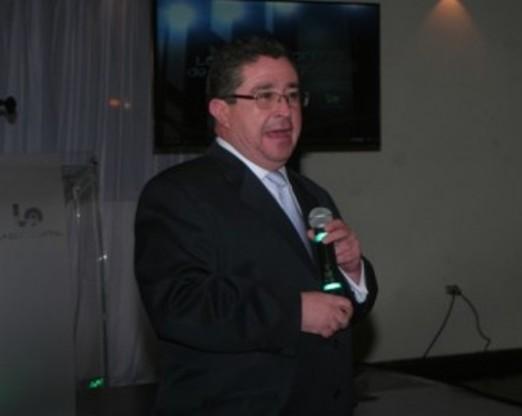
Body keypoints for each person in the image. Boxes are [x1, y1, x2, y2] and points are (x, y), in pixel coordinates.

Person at [134, 36, 378, 415]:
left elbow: (334, 308)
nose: (284, 110)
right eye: (264, 96)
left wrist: (352, 271)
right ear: (222, 111)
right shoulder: (177, 193)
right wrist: (294, 312)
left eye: (292, 95)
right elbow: (179, 305)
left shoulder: (313, 194)